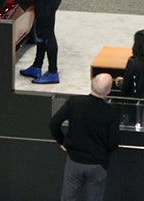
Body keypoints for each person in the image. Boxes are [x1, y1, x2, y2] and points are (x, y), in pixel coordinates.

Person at [48, 73, 119, 201]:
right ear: (108, 91)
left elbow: (54, 124)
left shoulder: (74, 102)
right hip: (98, 163)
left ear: (91, 83)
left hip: (74, 160)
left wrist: (62, 141)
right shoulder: (111, 112)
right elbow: (113, 143)